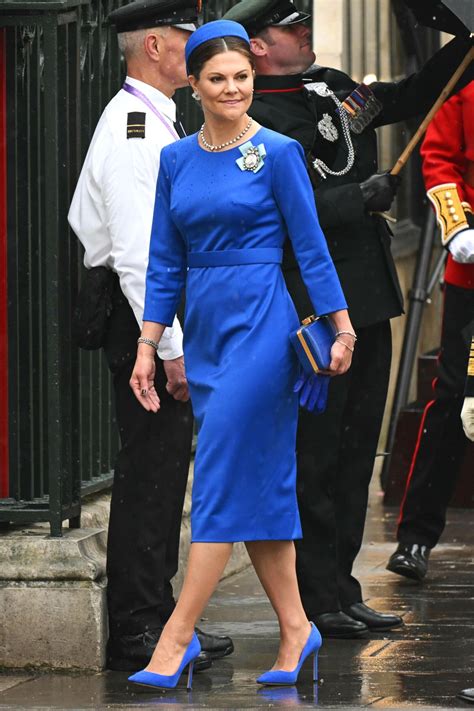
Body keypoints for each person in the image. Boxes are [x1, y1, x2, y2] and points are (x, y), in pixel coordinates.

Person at [222, 0, 474, 639]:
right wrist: (350, 199)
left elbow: (412, 95)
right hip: (310, 304)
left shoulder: (330, 91)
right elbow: (263, 213)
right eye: (291, 27)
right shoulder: (249, 117)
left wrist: (469, 42)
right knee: (318, 453)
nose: (305, 33)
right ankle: (313, 599)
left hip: (365, 295)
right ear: (256, 45)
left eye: (307, 23)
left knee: (358, 447)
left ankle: (343, 586)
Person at [127, 19, 355, 690]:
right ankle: (296, 626)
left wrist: (340, 328)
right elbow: (165, 262)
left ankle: (175, 637)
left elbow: (310, 248)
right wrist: (149, 343)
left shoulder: (279, 152)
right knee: (256, 484)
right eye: (218, 79)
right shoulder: (175, 158)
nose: (233, 89)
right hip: (206, 331)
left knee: (223, 471)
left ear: (253, 81)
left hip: (263, 327)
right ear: (194, 85)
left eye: (242, 78)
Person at [68, 0, 233, 672]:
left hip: (148, 315)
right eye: (190, 42)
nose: (196, 55)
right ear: (157, 46)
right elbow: (140, 253)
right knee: (152, 474)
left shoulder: (152, 118)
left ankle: (159, 618)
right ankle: (139, 629)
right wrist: (166, 348)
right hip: (142, 318)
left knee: (162, 472)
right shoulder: (137, 129)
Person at [387, 83, 474, 582]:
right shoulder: (464, 94)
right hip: (471, 273)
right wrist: (455, 225)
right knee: (455, 399)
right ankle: (417, 534)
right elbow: (439, 158)